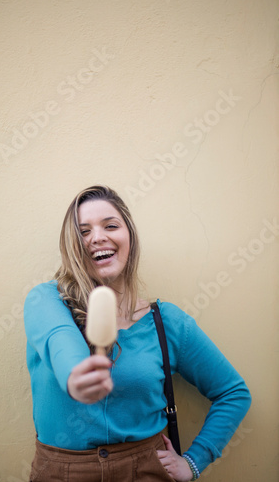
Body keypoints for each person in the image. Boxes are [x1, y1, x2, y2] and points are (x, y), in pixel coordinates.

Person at [24, 185, 252, 482]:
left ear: (129, 236)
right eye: (83, 231)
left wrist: (193, 463)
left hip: (146, 470)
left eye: (111, 225)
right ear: (72, 246)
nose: (98, 237)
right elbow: (60, 341)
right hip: (61, 473)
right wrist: (77, 375)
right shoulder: (45, 301)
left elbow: (233, 392)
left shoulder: (166, 321)